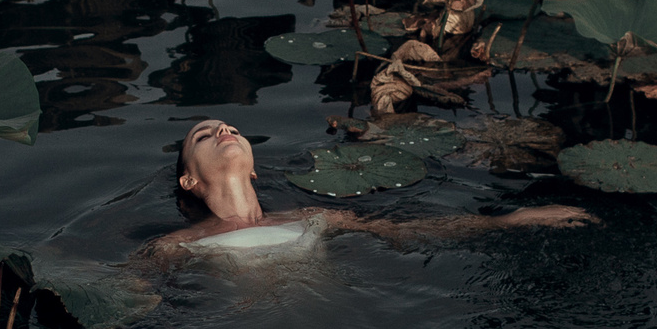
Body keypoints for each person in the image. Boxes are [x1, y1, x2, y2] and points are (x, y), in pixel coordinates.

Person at [142, 117, 591, 259]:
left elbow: (409, 233)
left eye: (231, 127)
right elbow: (123, 295)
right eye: (204, 136)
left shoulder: (315, 218)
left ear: (256, 170)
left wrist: (512, 220)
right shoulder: (178, 246)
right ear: (190, 181)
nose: (223, 129)